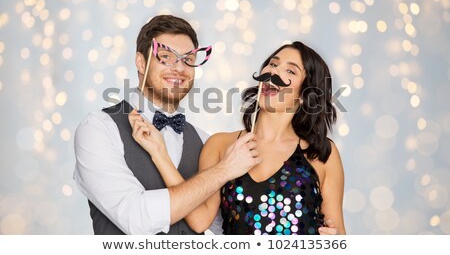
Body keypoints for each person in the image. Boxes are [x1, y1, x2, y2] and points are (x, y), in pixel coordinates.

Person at [130, 40, 345, 235]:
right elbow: (198, 220)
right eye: (272, 64)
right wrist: (159, 153)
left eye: (290, 70)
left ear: (305, 93)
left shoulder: (321, 153)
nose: (273, 72)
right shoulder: (221, 145)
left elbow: (339, 236)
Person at [73, 15, 261, 235]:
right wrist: (225, 170)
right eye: (166, 57)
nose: (179, 68)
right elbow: (136, 218)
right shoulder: (99, 128)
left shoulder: (204, 141)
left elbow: (223, 228)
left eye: (188, 59)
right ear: (141, 62)